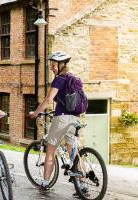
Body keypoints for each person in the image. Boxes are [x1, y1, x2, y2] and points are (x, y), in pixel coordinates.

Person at [29, 51, 86, 196]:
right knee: (73, 151)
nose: (52, 67)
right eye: (51, 64)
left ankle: (45, 183)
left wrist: (35, 113)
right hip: (76, 118)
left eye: (55, 64)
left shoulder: (59, 80)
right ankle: (82, 186)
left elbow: (48, 100)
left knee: (50, 150)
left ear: (62, 65)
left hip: (61, 118)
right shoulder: (75, 79)